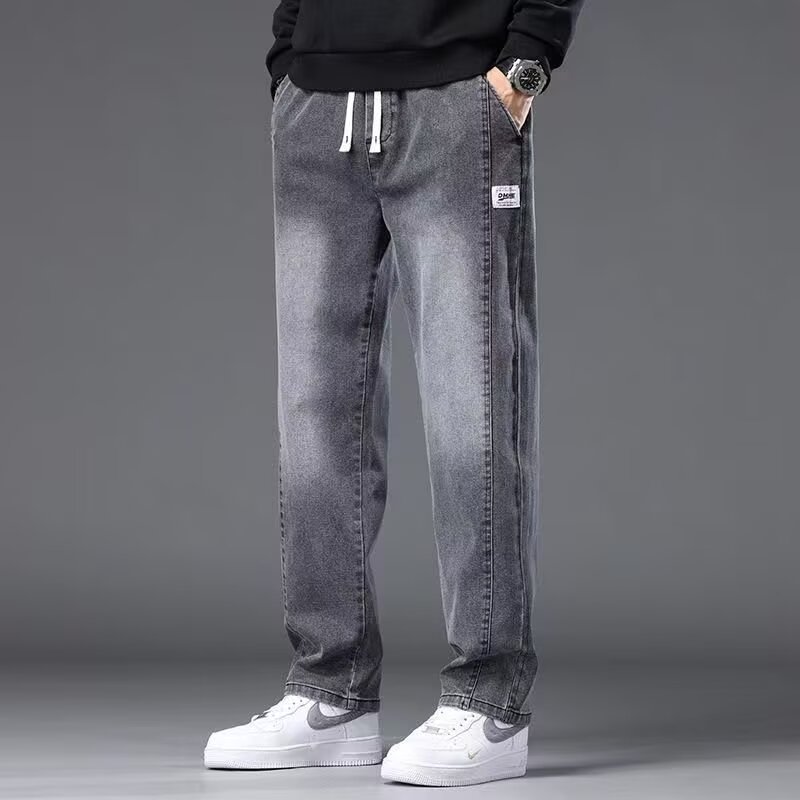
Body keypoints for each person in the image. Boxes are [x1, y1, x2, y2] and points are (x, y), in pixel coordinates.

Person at [205, 0, 583, 787]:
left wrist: (525, 62)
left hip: (456, 101)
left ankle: (490, 698)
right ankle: (331, 688)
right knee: (312, 411)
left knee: (473, 408)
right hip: (317, 108)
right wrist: (291, 54)